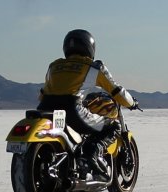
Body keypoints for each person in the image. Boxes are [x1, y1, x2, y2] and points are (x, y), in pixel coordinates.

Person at [38, 28, 136, 181]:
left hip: (48, 110)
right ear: (89, 47)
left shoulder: (54, 66)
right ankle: (92, 154)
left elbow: (43, 93)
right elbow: (116, 90)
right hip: (72, 110)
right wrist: (131, 102)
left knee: (66, 138)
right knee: (112, 126)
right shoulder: (93, 67)